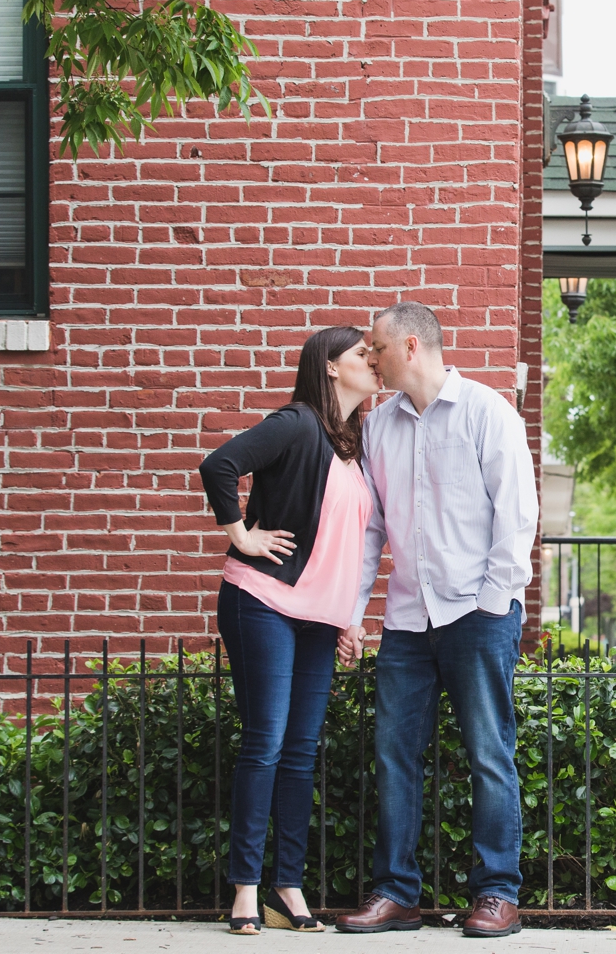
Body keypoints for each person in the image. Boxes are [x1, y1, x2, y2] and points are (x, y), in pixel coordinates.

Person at [337, 302, 537, 939]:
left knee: (488, 755)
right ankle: (397, 894)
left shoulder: (486, 412)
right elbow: (370, 530)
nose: (369, 357)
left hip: (477, 614)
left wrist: (492, 601)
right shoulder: (379, 426)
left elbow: (517, 517)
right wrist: (352, 611)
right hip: (406, 619)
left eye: (377, 348)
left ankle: (497, 894)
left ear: (413, 347)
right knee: (396, 757)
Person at [199, 326, 380, 935]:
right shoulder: (298, 422)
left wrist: (346, 619)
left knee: (300, 754)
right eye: (362, 354)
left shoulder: (355, 444)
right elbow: (221, 463)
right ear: (330, 367)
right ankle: (245, 890)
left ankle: (288, 885)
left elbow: (348, 544)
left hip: (317, 620)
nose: (373, 362)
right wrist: (242, 536)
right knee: (267, 742)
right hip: (264, 601)